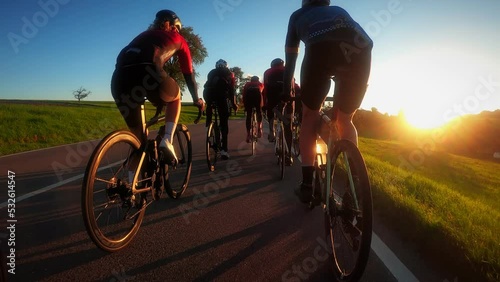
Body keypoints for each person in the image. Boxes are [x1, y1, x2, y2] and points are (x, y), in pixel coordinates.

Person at [283, 0, 373, 202]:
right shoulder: (339, 10)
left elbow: (291, 60)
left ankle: (307, 185)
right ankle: (355, 188)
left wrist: (284, 90)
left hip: (320, 48)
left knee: (309, 115)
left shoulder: (297, 16)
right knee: (345, 120)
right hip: (361, 47)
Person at [111, 9, 205, 183]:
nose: (178, 31)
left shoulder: (144, 35)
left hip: (119, 78)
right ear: (171, 25)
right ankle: (167, 140)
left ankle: (131, 187)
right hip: (149, 72)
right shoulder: (180, 40)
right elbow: (188, 75)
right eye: (177, 27)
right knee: (176, 96)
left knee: (138, 142)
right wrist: (196, 99)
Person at [203, 59, 238, 160]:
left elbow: (209, 85)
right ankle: (224, 151)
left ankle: (208, 126)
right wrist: (234, 104)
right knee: (224, 123)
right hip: (221, 96)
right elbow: (231, 90)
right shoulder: (229, 74)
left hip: (208, 94)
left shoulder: (211, 72)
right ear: (226, 66)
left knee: (210, 105)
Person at [263, 58, 294, 165]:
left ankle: (272, 131)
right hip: (287, 98)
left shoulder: (268, 72)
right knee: (287, 126)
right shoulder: (288, 70)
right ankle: (289, 155)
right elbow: (292, 87)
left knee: (271, 112)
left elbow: (265, 90)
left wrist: (265, 105)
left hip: (272, 98)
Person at [242, 75, 264, 143]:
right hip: (257, 97)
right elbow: (262, 94)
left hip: (248, 98)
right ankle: (259, 128)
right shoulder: (260, 84)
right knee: (259, 111)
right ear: (257, 80)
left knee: (249, 115)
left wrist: (245, 105)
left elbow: (244, 94)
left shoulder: (247, 84)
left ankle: (248, 134)